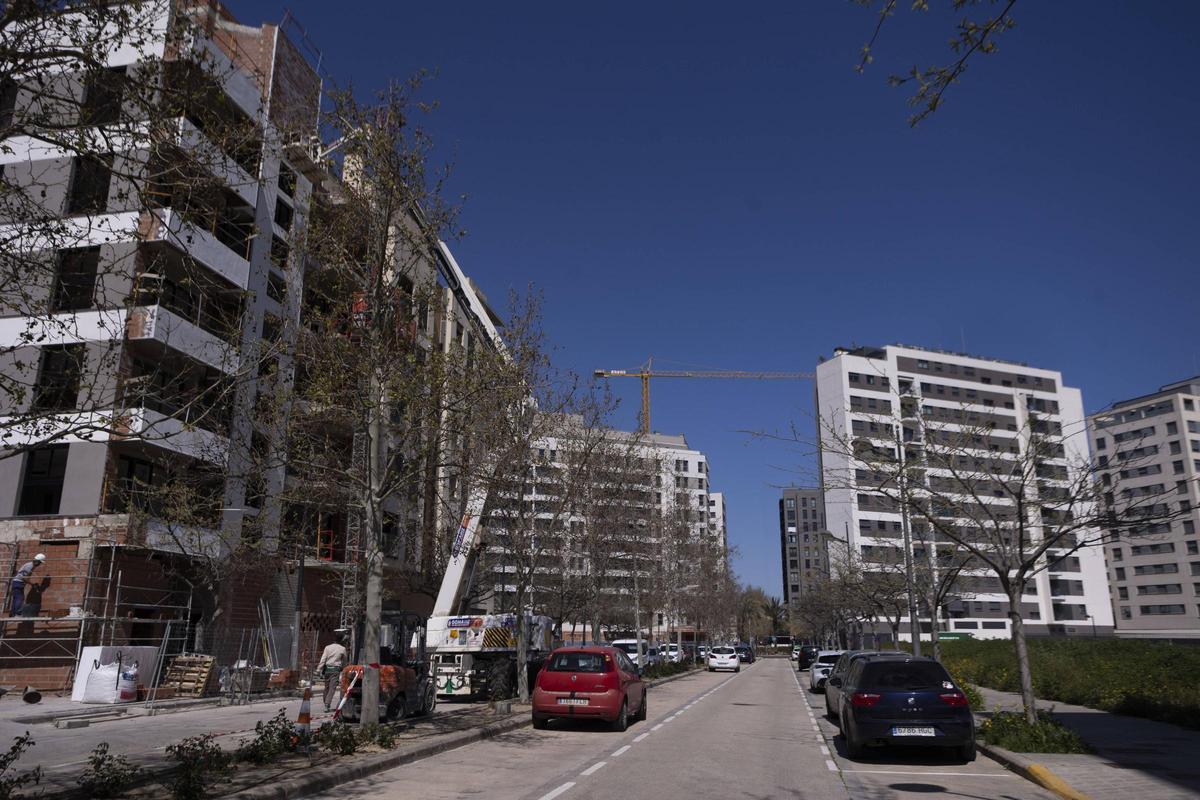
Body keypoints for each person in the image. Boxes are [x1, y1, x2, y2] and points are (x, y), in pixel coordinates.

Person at [317, 629, 349, 712]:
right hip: (335, 670)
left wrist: (318, 669)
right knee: (332, 688)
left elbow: (323, 659)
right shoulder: (342, 649)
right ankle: (327, 704)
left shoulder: (327, 647)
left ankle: (326, 703)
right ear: (342, 640)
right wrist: (344, 669)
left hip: (327, 670)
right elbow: (345, 661)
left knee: (326, 687)